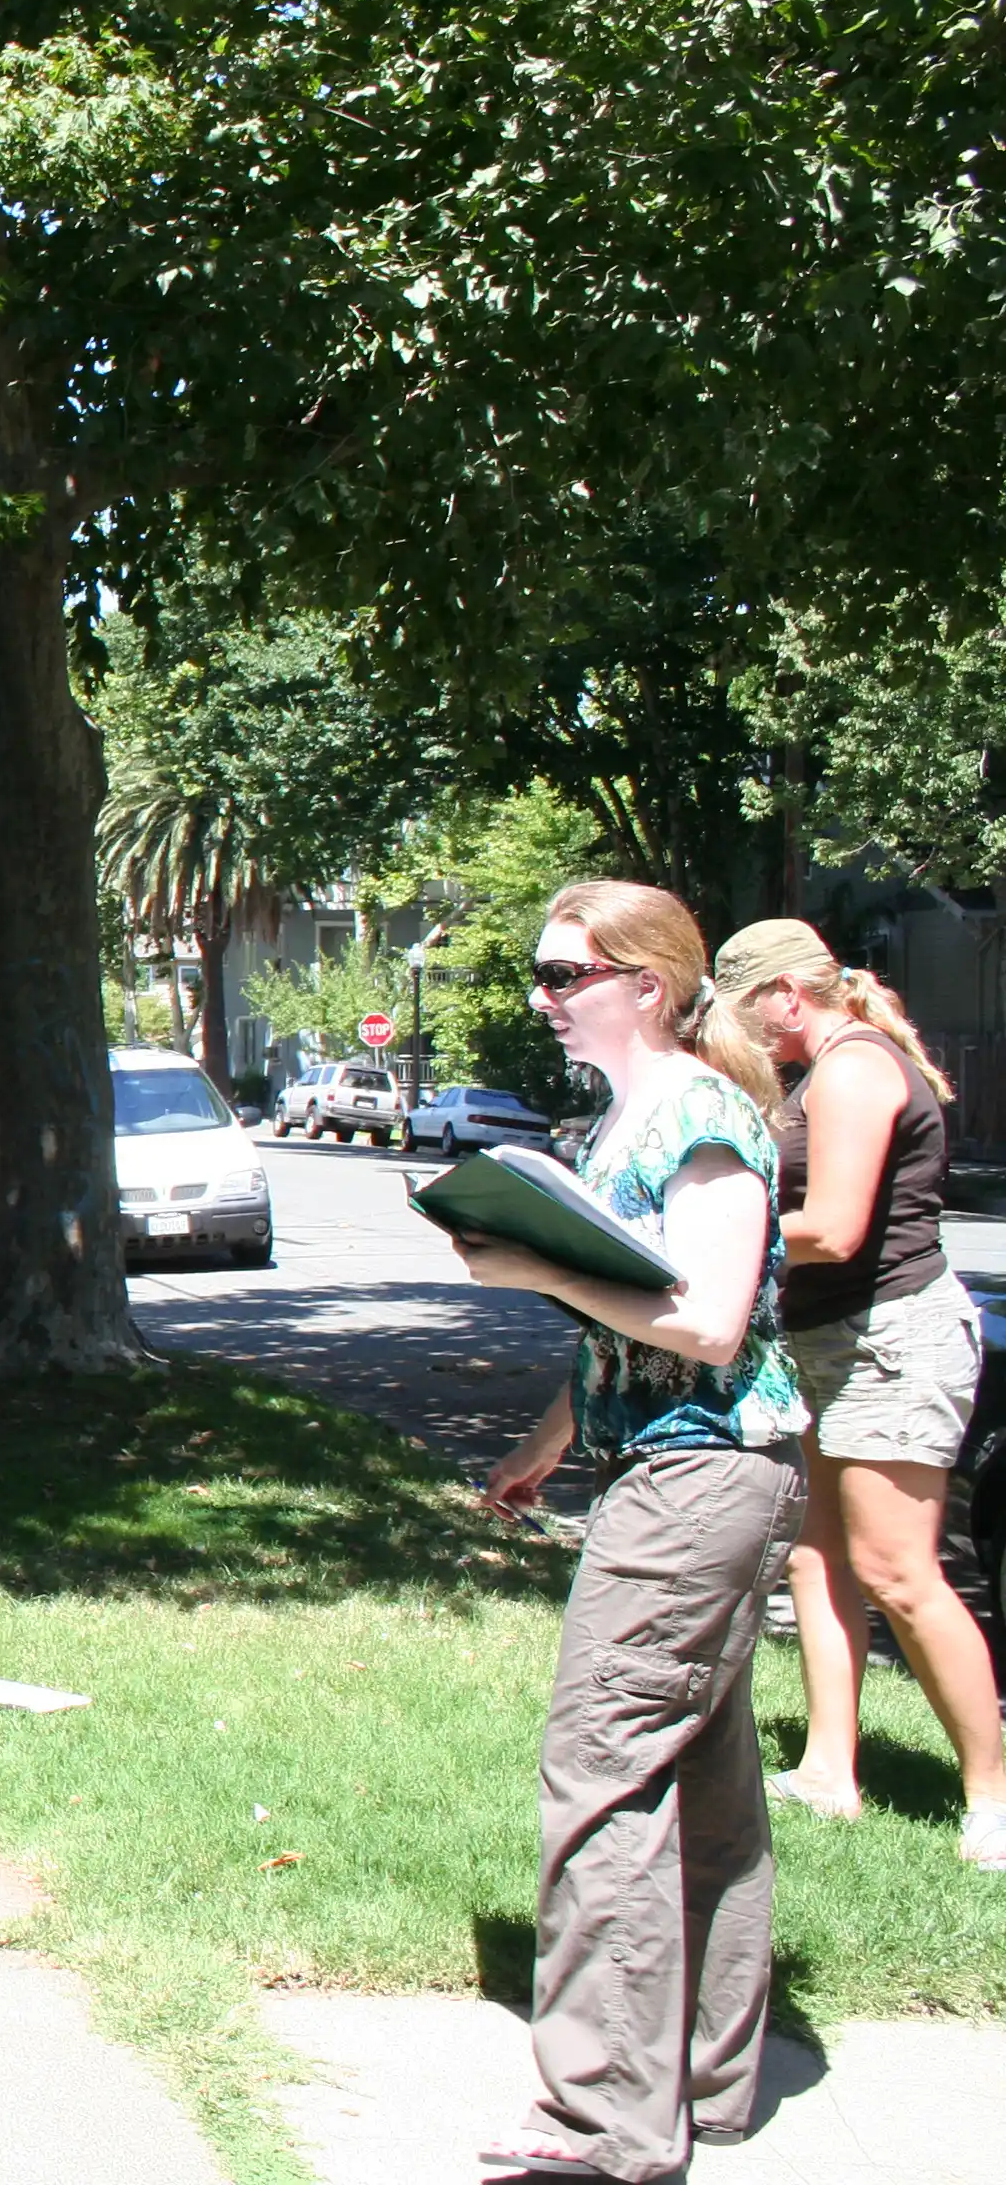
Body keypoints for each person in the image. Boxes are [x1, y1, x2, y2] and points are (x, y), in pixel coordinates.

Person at [442, 881, 807, 2184]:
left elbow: (711, 1325)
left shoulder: (704, 1115)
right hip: (681, 1467)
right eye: (541, 975)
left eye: (564, 974)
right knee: (703, 1788)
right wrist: (548, 1442)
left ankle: (603, 2127)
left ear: (645, 984)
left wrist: (536, 1266)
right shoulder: (636, 1112)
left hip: (699, 1483)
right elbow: (636, 1318)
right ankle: (707, 2084)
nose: (544, 997)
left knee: (602, 1779)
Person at [712, 919, 1005, 1869]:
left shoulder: (851, 1068)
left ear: (788, 996)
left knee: (898, 1573)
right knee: (815, 1559)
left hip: (893, 1342)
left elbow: (835, 1229)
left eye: (750, 1018)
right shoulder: (816, 1071)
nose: (747, 1040)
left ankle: (994, 1797)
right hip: (823, 1341)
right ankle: (829, 1772)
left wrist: (713, 1232)